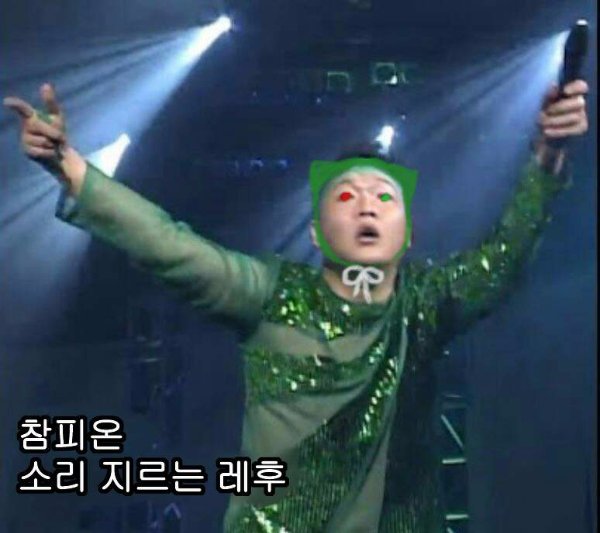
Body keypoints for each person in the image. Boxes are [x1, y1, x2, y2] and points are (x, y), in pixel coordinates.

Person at [3, 78, 589, 532]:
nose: (367, 205)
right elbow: (168, 244)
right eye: (347, 195)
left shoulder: (424, 305)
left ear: (407, 234)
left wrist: (547, 153)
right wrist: (69, 167)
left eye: (384, 196)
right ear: (315, 232)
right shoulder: (269, 295)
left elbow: (505, 256)